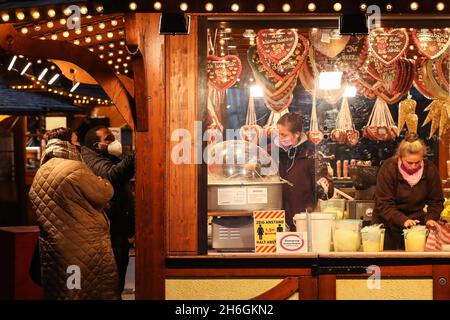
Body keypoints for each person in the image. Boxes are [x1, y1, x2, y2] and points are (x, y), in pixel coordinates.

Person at [29, 127, 120, 300]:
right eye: (75, 140)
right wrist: (103, 181)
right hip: (83, 248)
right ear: (68, 143)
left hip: (55, 250)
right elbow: (104, 193)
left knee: (67, 291)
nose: (78, 144)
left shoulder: (41, 171)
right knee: (83, 292)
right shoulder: (75, 168)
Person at [81, 126, 135, 292]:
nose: (114, 142)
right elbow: (113, 176)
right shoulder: (91, 159)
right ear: (97, 145)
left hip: (118, 231)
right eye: (109, 139)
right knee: (111, 285)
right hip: (110, 233)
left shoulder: (109, 156)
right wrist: (132, 154)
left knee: (116, 283)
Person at [372, 133, 444, 250]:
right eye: (409, 162)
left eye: (418, 162)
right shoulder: (389, 168)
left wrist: (431, 218)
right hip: (388, 227)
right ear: (400, 157)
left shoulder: (430, 169)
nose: (413, 166)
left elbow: (436, 201)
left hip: (416, 227)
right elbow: (383, 203)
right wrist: (403, 220)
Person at [276, 112, 334, 230]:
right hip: (275, 220)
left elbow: (327, 194)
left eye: (283, 135)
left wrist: (324, 186)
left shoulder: (312, 157)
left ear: (297, 134)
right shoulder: (273, 153)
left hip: (302, 222)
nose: (280, 138)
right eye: (278, 134)